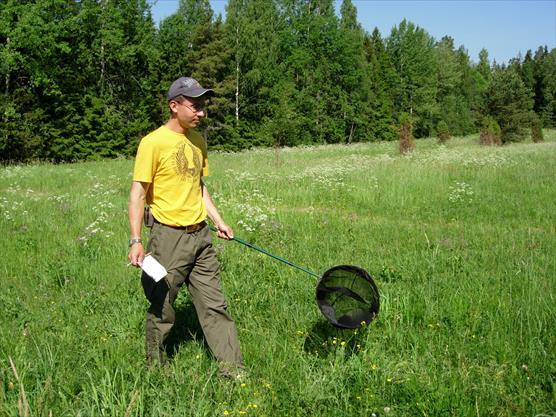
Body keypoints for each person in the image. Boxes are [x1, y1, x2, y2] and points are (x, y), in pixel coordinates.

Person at [127, 76, 244, 379]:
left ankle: (232, 372)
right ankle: (155, 367)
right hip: (168, 239)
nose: (201, 113)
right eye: (194, 106)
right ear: (174, 105)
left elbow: (198, 186)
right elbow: (138, 193)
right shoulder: (152, 143)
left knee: (215, 305)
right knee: (163, 306)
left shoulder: (198, 141)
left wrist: (219, 221)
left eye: (203, 106)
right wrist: (136, 240)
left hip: (201, 236)